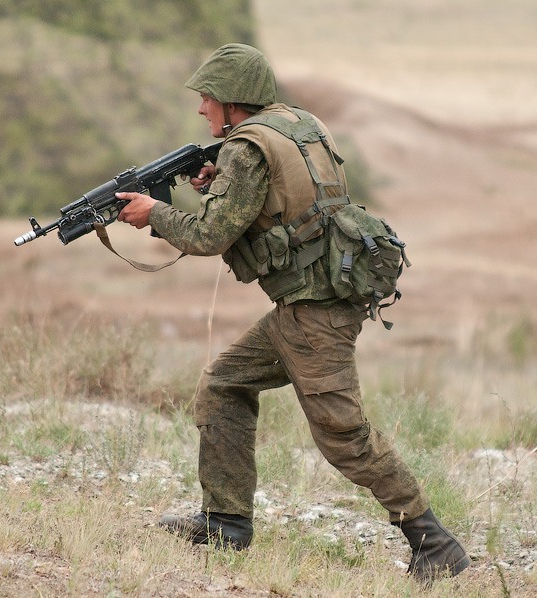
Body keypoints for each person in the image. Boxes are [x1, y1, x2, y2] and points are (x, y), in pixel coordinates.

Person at [115, 43, 470, 583]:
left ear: (233, 103)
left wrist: (155, 214)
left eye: (207, 98)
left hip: (315, 313)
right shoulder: (296, 124)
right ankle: (225, 524)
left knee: (343, 435)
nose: (200, 109)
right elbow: (288, 202)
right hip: (313, 303)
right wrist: (219, 189)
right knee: (224, 385)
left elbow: (209, 237)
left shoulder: (246, 150)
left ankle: (433, 541)